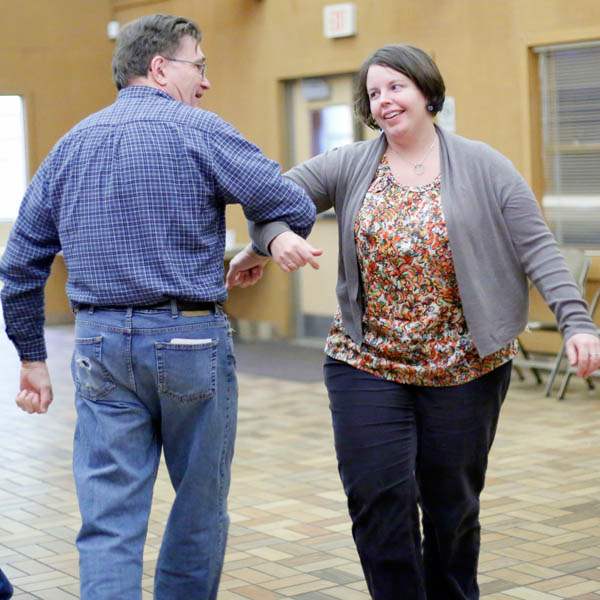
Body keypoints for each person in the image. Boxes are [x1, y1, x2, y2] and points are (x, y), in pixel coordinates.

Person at [227, 44, 600, 599]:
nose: (384, 100)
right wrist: (273, 239)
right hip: (366, 360)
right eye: (374, 93)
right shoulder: (350, 163)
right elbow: (268, 200)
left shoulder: (484, 165)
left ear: (427, 91)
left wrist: (577, 323)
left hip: (464, 366)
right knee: (377, 500)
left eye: (396, 86)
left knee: (451, 510)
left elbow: (538, 248)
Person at [0, 14, 321, 600]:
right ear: (159, 67)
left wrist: (32, 358)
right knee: (199, 507)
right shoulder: (200, 131)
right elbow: (293, 204)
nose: (206, 81)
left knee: (108, 520)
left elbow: (19, 265)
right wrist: (266, 240)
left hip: (97, 344)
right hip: (189, 340)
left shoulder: (71, 145)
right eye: (199, 65)